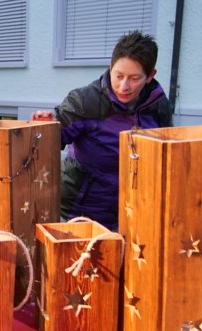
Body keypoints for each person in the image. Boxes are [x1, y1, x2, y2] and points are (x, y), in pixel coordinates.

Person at [33, 30, 172, 230]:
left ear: (150, 76)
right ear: (110, 67)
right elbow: (49, 140)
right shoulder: (84, 101)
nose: (124, 86)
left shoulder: (159, 106)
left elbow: (166, 156)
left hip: (130, 213)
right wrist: (39, 129)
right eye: (119, 75)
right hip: (75, 211)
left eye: (134, 78)